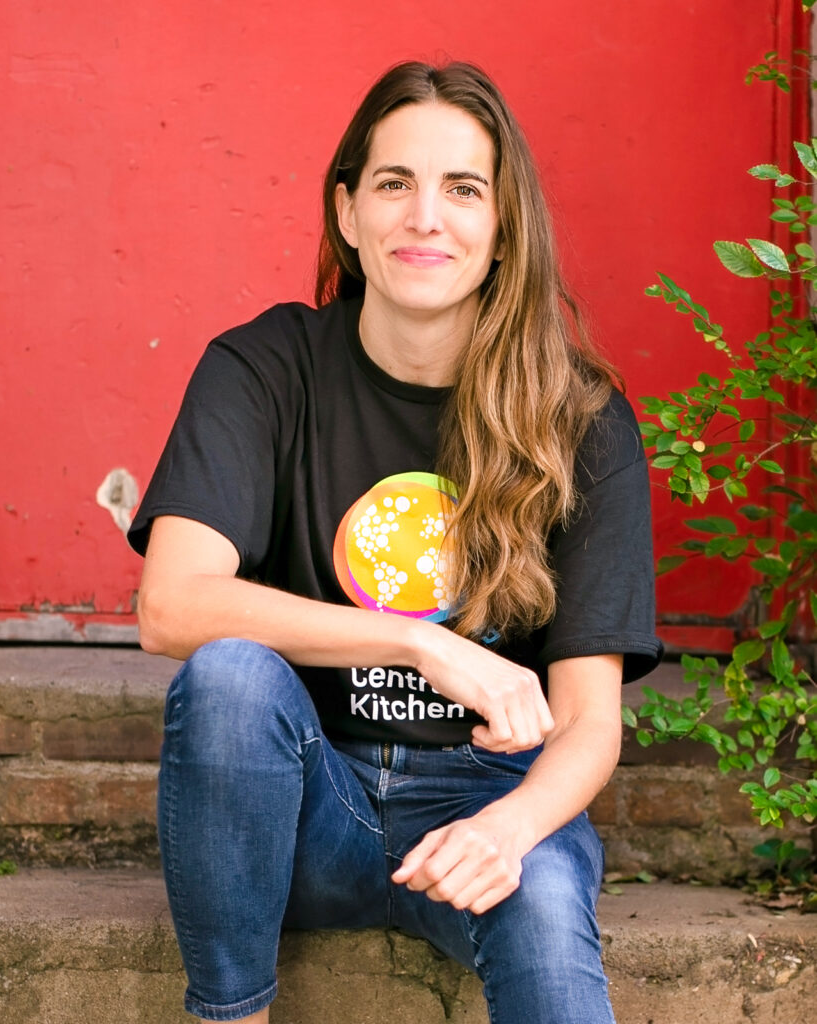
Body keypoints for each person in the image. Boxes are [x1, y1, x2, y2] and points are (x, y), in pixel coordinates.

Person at [128, 60, 663, 1024]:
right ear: (346, 212)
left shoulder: (581, 419)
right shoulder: (263, 367)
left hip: (485, 802)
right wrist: (420, 639)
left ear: (503, 230)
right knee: (230, 678)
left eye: (463, 189)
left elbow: (588, 722)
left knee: (545, 930)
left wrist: (509, 829)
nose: (426, 217)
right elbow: (171, 606)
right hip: (302, 803)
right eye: (393, 183)